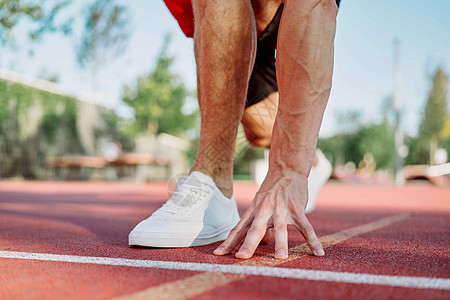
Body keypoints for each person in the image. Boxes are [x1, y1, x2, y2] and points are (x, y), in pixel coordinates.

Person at [129, 0, 339, 259]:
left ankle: (309, 162)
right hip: (236, 18)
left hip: (281, 13)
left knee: (271, 134)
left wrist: (290, 169)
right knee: (260, 129)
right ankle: (214, 186)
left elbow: (314, 6)